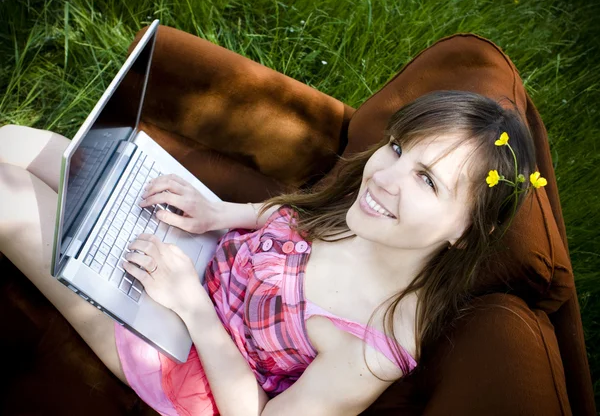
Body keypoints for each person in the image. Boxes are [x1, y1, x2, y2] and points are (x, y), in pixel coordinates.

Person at [0, 90, 540, 415]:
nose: (384, 177)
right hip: (197, 258)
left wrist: (190, 303)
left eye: (426, 180)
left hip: (186, 356)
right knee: (12, 143)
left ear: (466, 231)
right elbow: (296, 216)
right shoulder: (367, 215)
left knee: (7, 200)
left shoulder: (373, 345)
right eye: (398, 148)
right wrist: (219, 213)